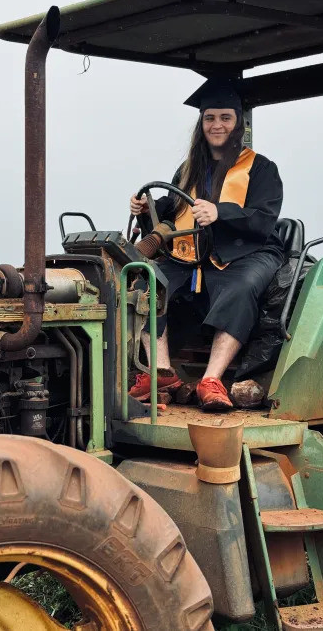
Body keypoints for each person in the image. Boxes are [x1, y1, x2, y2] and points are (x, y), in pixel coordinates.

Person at [129, 82, 284, 411]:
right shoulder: (187, 170)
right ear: (201, 125)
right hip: (192, 254)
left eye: (225, 118)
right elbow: (172, 211)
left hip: (247, 252)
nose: (217, 125)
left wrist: (220, 213)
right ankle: (161, 372)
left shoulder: (261, 169)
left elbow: (264, 218)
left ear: (238, 124)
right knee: (146, 281)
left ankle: (211, 380)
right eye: (210, 118)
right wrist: (147, 209)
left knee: (240, 287)